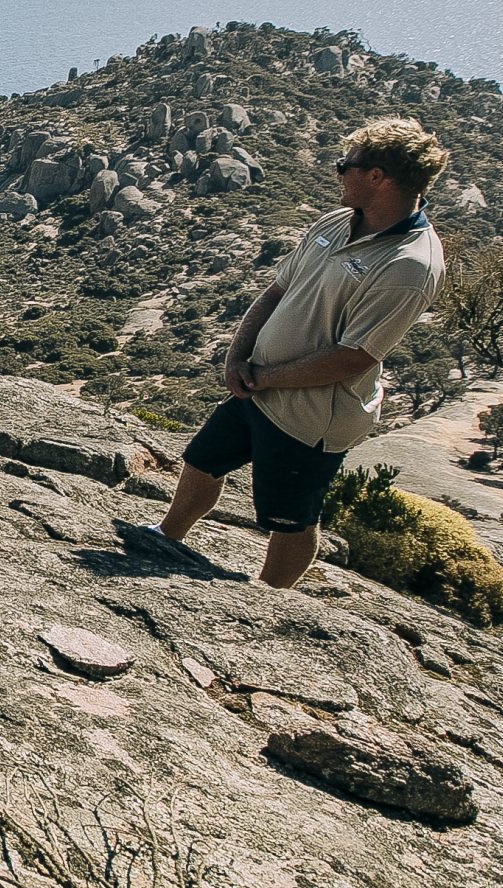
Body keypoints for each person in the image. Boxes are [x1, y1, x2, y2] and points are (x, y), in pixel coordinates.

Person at [159, 117, 451, 587]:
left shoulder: (410, 265)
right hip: (258, 383)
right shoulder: (336, 222)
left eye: (345, 165)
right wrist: (238, 359)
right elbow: (277, 291)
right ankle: (166, 536)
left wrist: (265, 376)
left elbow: (354, 357)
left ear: (377, 176)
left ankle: (271, 598)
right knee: (202, 459)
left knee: (290, 517)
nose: (337, 173)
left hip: (314, 415)